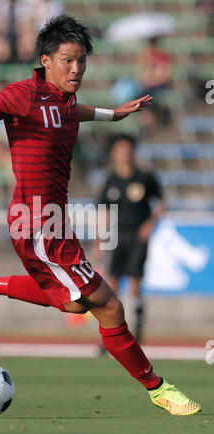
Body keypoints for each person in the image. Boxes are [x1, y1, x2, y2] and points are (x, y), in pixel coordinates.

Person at [0, 15, 200, 416]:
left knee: (75, 305)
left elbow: (75, 112)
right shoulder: (21, 96)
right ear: (46, 60)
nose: (76, 69)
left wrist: (113, 114)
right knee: (109, 306)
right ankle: (158, 387)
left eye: (82, 62)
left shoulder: (66, 99)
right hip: (36, 222)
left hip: (55, 218)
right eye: (68, 61)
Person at [95, 133, 165, 343]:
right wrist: (100, 240)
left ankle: (137, 330)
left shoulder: (145, 177)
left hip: (137, 236)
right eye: (121, 150)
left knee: (135, 282)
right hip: (116, 235)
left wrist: (149, 224)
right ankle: (111, 333)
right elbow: (104, 212)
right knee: (112, 284)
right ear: (113, 153)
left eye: (128, 149)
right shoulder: (111, 180)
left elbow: (162, 205)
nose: (125, 154)